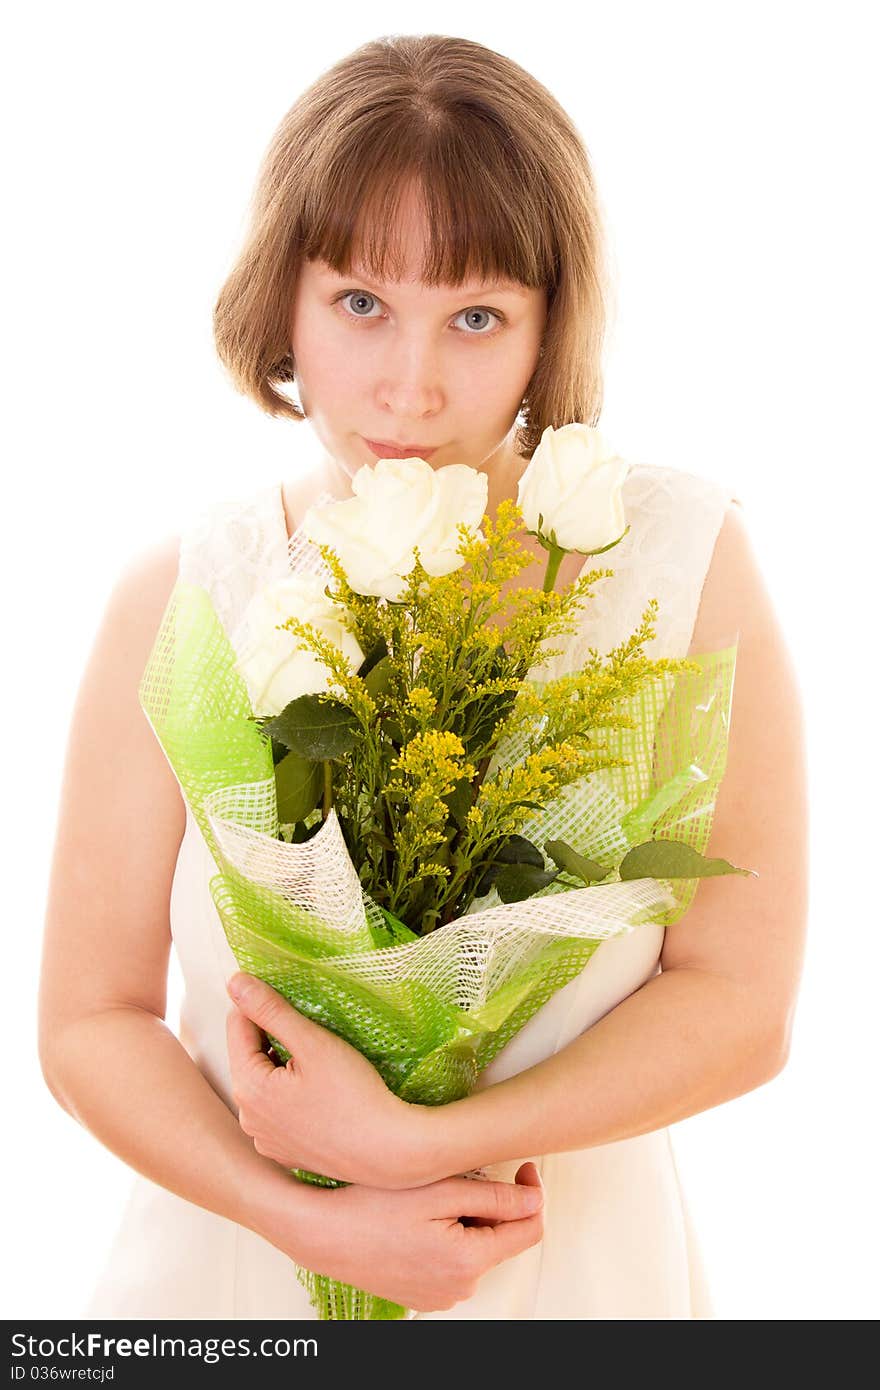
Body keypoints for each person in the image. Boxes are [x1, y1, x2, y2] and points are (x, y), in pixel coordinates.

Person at [37, 33, 808, 1320]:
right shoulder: (184, 594)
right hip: (239, 1282)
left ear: (550, 320)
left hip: (567, 1275)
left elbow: (738, 999)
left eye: (475, 315)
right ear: (281, 297)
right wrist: (306, 1215)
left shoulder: (678, 564)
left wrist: (416, 1146)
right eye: (358, 304)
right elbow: (89, 1022)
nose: (411, 382)